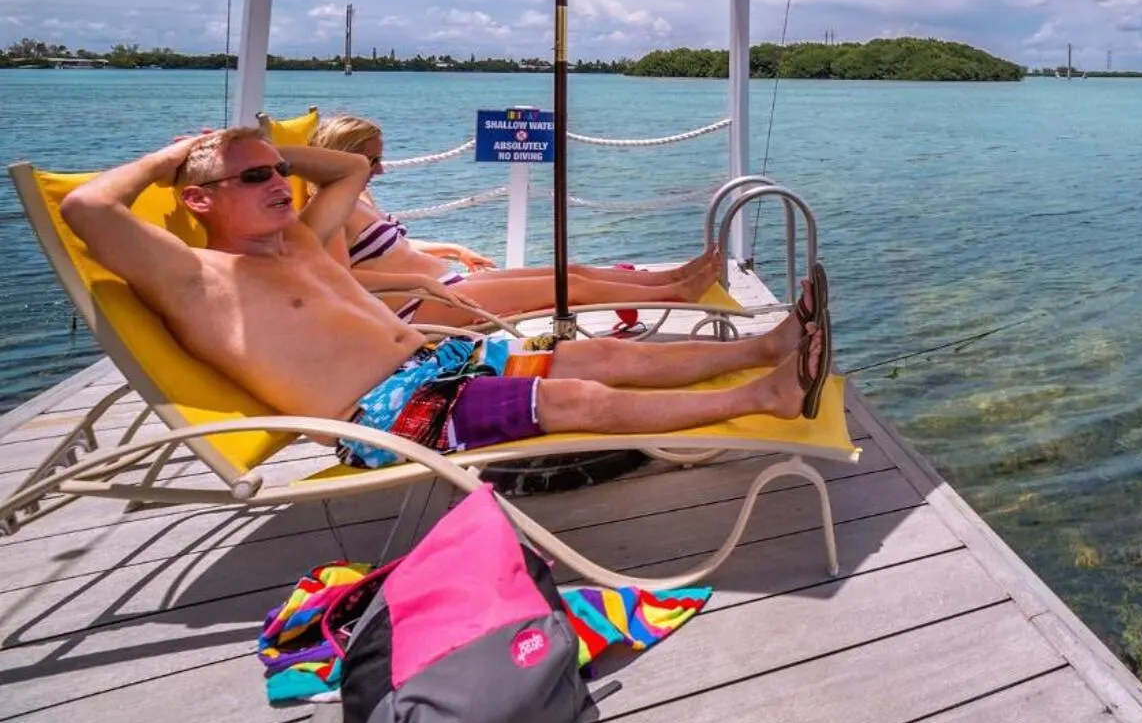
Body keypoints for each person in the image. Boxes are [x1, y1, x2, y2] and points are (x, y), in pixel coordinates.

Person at [59, 129, 829, 470]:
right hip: (392, 416)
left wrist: (256, 148)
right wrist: (166, 158)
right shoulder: (198, 279)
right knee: (581, 398)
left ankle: (762, 346)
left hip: (447, 360)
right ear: (196, 199)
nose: (277, 184)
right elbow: (88, 211)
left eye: (274, 173)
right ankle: (770, 392)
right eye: (253, 178)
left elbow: (347, 172)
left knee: (605, 351)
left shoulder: (295, 240)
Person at [307, 114, 719, 329]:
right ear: (342, 158)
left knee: (571, 271)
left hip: (441, 287)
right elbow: (344, 281)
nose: (382, 170)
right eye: (372, 161)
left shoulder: (357, 193)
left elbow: (387, 248)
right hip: (417, 309)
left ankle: (670, 280)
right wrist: (421, 283)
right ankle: (677, 296)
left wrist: (452, 249)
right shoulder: (328, 212)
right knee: (570, 288)